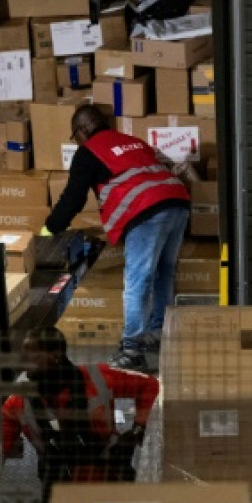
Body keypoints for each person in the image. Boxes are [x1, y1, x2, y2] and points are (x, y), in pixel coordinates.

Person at [44, 104, 191, 371]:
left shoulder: (88, 152)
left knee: (137, 279)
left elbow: (73, 199)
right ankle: (159, 336)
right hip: (177, 201)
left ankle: (132, 349)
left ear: (84, 129)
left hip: (146, 210)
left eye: (74, 135)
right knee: (163, 273)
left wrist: (49, 229)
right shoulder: (133, 142)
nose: (76, 141)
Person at [0, 328, 159, 484]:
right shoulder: (18, 404)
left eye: (33, 356)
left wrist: (138, 427)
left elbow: (150, 386)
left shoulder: (99, 377)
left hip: (110, 480)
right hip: (61, 489)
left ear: (55, 356)